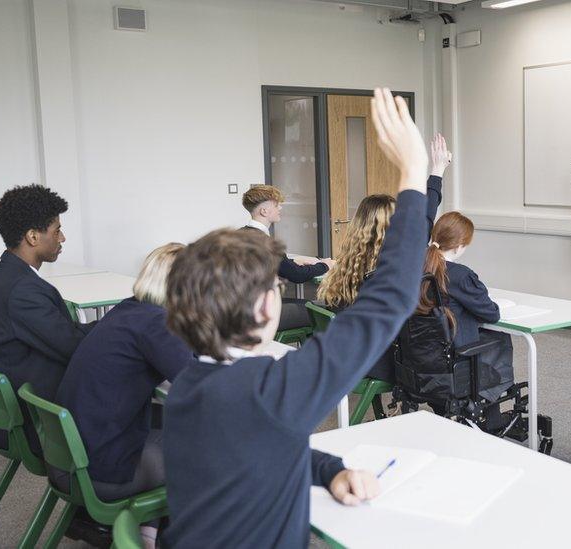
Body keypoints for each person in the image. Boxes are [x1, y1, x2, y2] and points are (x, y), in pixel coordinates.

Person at [161, 88, 430, 547]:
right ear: (265, 307)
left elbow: (261, 444)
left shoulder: (191, 383)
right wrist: (413, 175)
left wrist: (330, 470)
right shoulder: (268, 390)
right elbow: (387, 302)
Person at [56, 243, 196, 548]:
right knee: (205, 450)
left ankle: (147, 531)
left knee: (178, 422)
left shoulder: (129, 309)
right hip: (101, 467)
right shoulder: (155, 323)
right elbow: (197, 382)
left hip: (72, 454)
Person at [316, 133, 449, 382]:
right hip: (381, 363)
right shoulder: (391, 268)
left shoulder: (346, 265)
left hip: (347, 358)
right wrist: (437, 171)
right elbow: (425, 219)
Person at [0, 184, 93, 452]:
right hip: (40, 423)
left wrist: (108, 327)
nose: (62, 238)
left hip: (20, 406)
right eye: (57, 230)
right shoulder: (24, 290)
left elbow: (61, 333)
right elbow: (72, 348)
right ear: (33, 237)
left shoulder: (3, 274)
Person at [418, 211, 513, 404]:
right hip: (453, 357)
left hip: (421, 358)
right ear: (459, 245)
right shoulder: (461, 276)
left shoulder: (418, 268)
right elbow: (491, 313)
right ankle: (483, 400)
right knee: (500, 337)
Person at [240, 185, 335, 333]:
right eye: (277, 205)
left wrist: (292, 262)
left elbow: (276, 265)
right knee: (317, 309)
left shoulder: (239, 235)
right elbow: (297, 275)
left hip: (241, 309)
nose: (281, 208)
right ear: (264, 211)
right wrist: (325, 265)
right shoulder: (266, 242)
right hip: (259, 313)